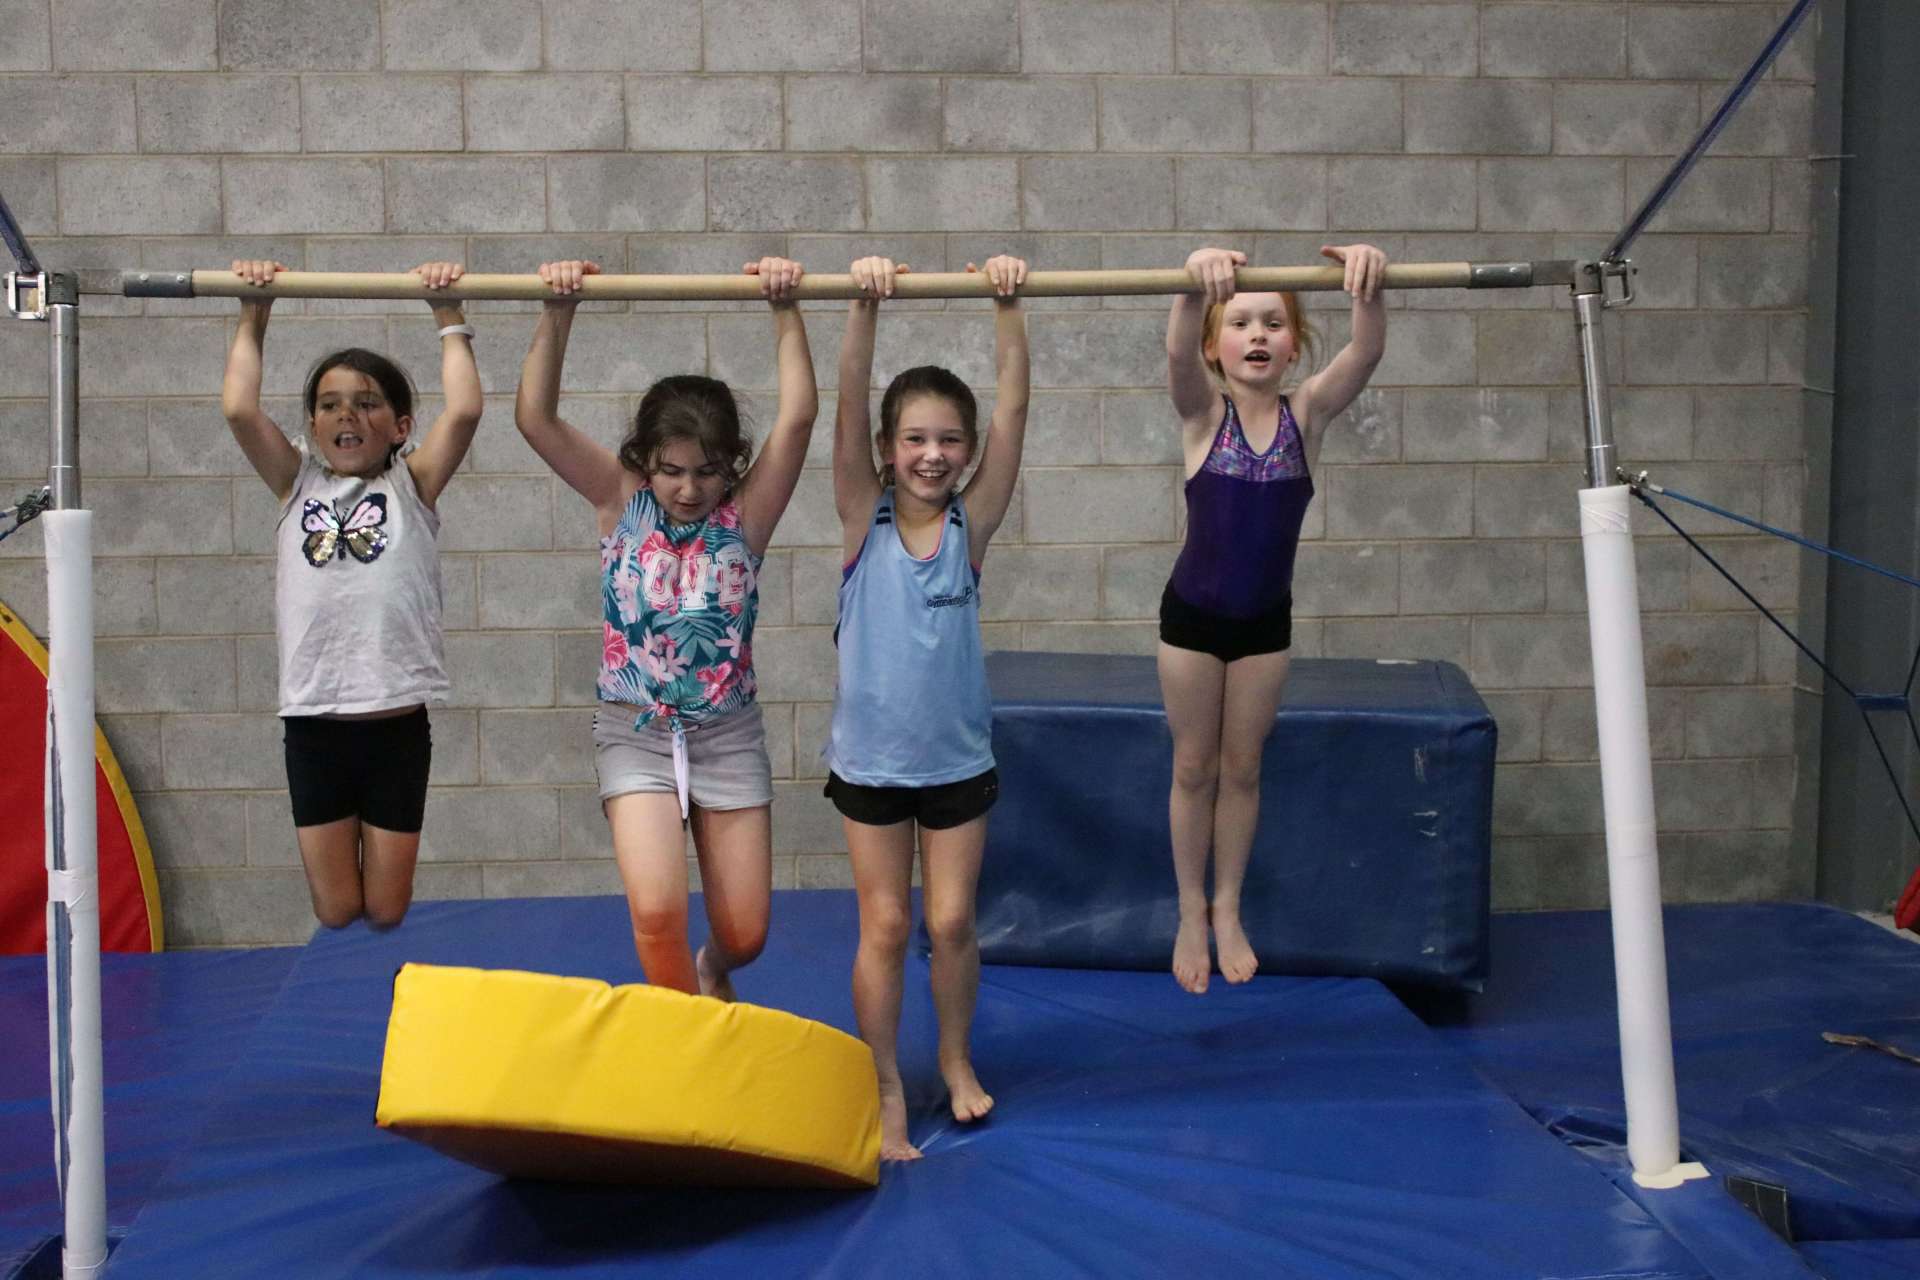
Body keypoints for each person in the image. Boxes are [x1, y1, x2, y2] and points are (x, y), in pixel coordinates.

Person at [515, 256, 816, 999]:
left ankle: (713, 969)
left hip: (725, 732)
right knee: (655, 911)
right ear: (644, 462)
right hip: (635, 729)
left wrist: (785, 306)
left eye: (708, 471)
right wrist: (559, 308)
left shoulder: (746, 516)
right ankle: (689, 1044)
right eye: (673, 469)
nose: (689, 488)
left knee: (745, 931)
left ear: (732, 468)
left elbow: (802, 415)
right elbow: (534, 418)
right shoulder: (622, 503)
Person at [826, 252, 1030, 1160]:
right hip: (870, 766)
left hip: (956, 761)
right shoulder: (858, 519)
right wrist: (862, 307)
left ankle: (952, 1057)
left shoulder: (967, 528)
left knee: (950, 921)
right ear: (886, 450)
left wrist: (1008, 305)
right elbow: (843, 407)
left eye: (949, 439)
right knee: (887, 923)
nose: (932, 455)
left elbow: (1017, 413)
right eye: (913, 439)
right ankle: (884, 1087)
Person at [221, 258, 482, 929]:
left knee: (388, 909)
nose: (348, 415)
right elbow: (238, 407)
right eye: (331, 404)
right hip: (314, 727)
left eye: (367, 403)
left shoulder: (411, 486)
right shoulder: (294, 483)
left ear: (399, 426)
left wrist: (448, 313)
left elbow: (467, 410)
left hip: (396, 725)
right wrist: (255, 310)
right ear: (311, 424)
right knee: (338, 909)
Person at [1160, 243, 1388, 994]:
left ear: (1294, 345)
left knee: (1244, 768)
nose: (1256, 336)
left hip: (1265, 624)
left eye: (1273, 324)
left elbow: (1366, 350)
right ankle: (1191, 909)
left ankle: (1229, 906)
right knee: (1194, 766)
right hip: (1191, 618)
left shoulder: (1306, 415)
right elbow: (1175, 354)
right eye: (1240, 323)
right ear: (1214, 345)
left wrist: (1366, 281)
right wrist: (1194, 285)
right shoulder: (1203, 416)